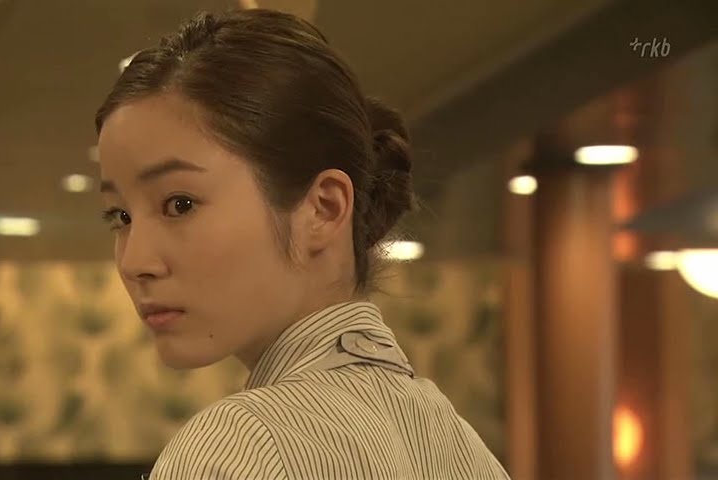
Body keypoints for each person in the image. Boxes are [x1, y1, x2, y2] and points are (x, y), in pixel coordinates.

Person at [95, 8, 510, 479]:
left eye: (180, 204)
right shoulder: (462, 445)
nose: (135, 261)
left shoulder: (240, 444)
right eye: (120, 216)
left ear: (323, 208)